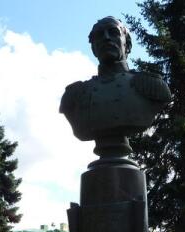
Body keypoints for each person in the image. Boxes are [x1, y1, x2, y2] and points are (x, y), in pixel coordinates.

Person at [60, 17, 171, 157]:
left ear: (127, 44)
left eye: (113, 32)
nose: (106, 38)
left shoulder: (150, 86)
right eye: (99, 35)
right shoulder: (75, 95)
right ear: (93, 48)